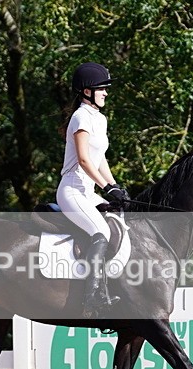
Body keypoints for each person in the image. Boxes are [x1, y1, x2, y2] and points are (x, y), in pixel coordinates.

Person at [57, 62, 130, 318]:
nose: (106, 93)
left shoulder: (100, 119)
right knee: (100, 231)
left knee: (118, 222)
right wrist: (107, 187)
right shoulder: (80, 117)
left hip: (87, 192)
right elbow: (84, 159)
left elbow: (100, 159)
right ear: (87, 91)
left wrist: (115, 186)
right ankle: (92, 297)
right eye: (102, 89)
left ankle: (114, 286)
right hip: (72, 190)